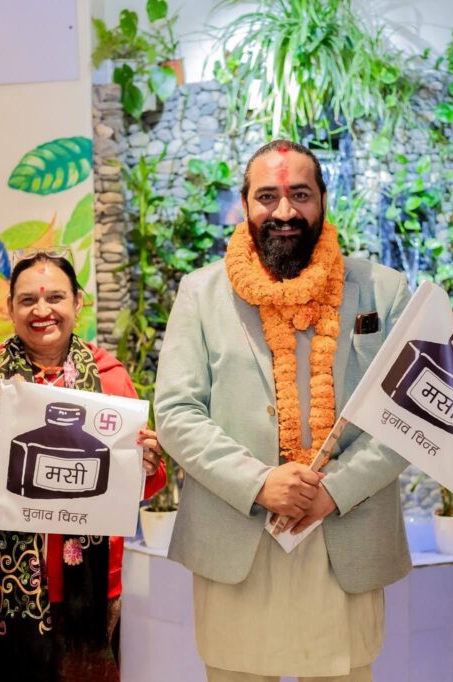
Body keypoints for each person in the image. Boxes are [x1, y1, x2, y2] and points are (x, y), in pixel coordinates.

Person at [154, 139, 412, 682]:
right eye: (267, 196)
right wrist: (259, 483)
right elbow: (177, 412)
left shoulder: (384, 291)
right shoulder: (201, 293)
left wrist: (335, 490)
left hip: (344, 535)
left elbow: (407, 417)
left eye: (300, 194)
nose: (285, 211)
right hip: (238, 537)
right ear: (244, 204)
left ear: (323, 200)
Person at [0, 249, 166, 682]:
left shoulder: (111, 378)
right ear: (10, 308)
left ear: (78, 303)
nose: (41, 310)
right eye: (27, 300)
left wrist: (148, 462)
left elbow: (142, 486)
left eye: (55, 298)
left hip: (92, 590)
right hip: (0, 589)